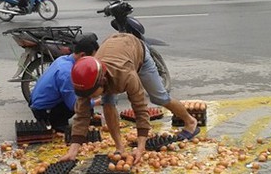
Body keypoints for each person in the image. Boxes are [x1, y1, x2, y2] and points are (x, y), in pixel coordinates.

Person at [61, 33, 198, 163]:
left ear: (102, 82)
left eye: (91, 93)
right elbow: (81, 116)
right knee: (107, 103)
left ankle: (190, 121)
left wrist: (141, 147)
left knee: (159, 98)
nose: (89, 97)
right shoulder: (86, 82)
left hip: (137, 51)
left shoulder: (125, 76)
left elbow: (140, 109)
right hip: (113, 47)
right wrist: (73, 151)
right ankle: (119, 147)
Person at [29, 33, 99, 133]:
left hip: (37, 102)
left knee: (83, 92)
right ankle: (56, 124)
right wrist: (98, 102)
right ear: (82, 55)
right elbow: (74, 105)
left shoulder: (63, 59)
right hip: (43, 110)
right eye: (92, 59)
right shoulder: (67, 72)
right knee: (81, 100)